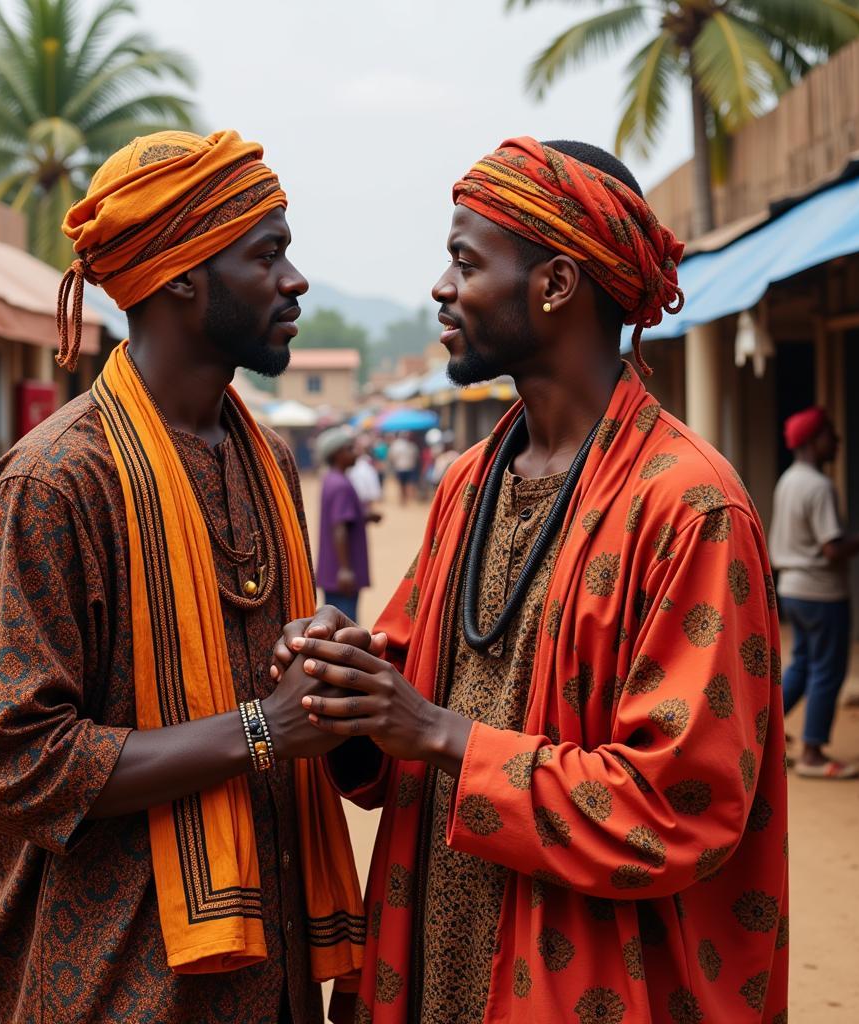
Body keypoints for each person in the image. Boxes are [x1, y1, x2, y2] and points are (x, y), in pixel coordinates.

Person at [275, 138, 787, 1023]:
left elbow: (678, 805)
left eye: (464, 261)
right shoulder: (471, 479)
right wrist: (344, 690)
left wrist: (439, 734)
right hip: (432, 962)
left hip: (585, 981)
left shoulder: (688, 507)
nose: (441, 287)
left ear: (554, 285)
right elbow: (402, 702)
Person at [0, 129, 364, 1024]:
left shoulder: (267, 460)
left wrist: (322, 661)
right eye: (268, 255)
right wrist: (262, 729)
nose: (294, 281)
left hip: (272, 973)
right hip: (121, 986)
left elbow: (280, 699)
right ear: (180, 276)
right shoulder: (56, 483)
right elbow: (9, 763)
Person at [769, 407, 859, 779]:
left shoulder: (789, 480)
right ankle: (812, 753)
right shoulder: (819, 486)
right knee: (827, 670)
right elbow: (832, 549)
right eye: (831, 434)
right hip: (822, 592)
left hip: (793, 589)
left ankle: (762, 734)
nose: (837, 442)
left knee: (805, 664)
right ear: (814, 441)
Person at [315, 427, 371, 623]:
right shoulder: (341, 485)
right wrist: (345, 569)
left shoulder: (331, 479)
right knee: (345, 627)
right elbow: (339, 527)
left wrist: (365, 516)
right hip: (341, 573)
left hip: (332, 571)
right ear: (337, 454)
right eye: (350, 448)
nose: (355, 452)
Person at [387, 432, 419, 504]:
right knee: (406, 484)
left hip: (402, 467)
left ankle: (404, 499)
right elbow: (416, 457)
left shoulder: (397, 445)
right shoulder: (411, 445)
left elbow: (391, 456)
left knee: (403, 484)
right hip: (407, 467)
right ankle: (405, 499)